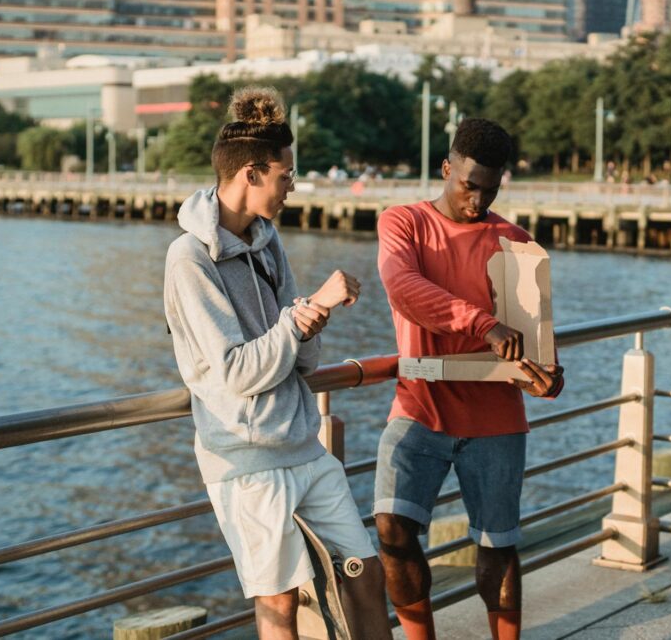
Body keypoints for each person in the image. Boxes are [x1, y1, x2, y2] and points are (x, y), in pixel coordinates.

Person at [163, 86, 391, 640]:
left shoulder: (268, 243)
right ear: (251, 174)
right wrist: (305, 313)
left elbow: (304, 363)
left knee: (365, 572)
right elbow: (237, 372)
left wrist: (311, 321)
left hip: (303, 446)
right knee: (281, 605)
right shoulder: (189, 258)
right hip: (246, 461)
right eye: (286, 175)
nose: (293, 185)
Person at [373, 118, 565, 640]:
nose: (477, 200)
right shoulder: (403, 223)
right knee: (391, 530)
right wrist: (483, 324)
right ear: (446, 168)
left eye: (490, 188)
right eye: (468, 185)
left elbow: (537, 350)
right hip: (418, 407)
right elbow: (402, 288)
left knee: (498, 548)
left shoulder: (515, 242)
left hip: (496, 419)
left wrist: (545, 380)